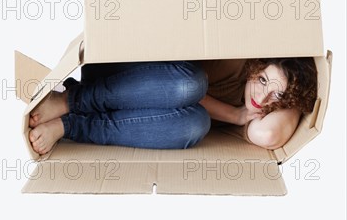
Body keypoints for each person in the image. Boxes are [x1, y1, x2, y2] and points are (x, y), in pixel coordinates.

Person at [28, 57, 318, 155]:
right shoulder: (237, 65)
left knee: (195, 125)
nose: (262, 96)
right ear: (257, 65)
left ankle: (72, 125)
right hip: (123, 77)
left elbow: (266, 135)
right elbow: (180, 89)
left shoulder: (268, 111)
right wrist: (235, 114)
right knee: (191, 85)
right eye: (263, 79)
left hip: (133, 114)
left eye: (277, 97)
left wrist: (290, 98)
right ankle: (70, 99)